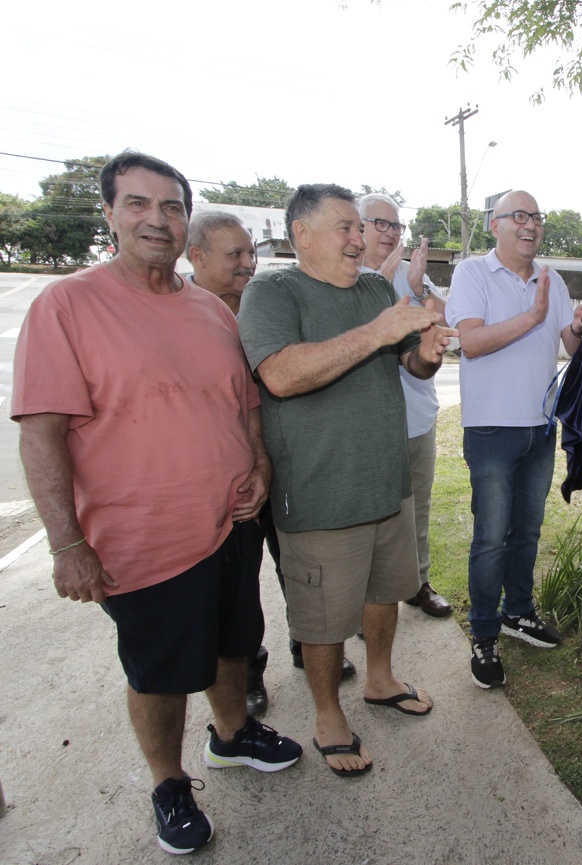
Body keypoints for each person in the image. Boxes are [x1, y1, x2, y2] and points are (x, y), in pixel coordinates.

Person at [12, 151, 302, 855]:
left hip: (231, 523)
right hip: (143, 539)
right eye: (138, 204)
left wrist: (259, 464)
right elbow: (42, 432)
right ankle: (168, 781)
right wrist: (67, 544)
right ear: (108, 213)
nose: (156, 219)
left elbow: (244, 405)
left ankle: (232, 735)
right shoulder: (67, 305)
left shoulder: (208, 308)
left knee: (235, 643)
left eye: (171, 206)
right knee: (162, 670)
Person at [238, 184, 454, 776]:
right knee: (323, 618)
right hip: (320, 492)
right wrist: (378, 333)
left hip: (387, 481)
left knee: (386, 591)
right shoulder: (271, 292)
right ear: (300, 233)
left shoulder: (376, 290)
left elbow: (411, 361)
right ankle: (328, 713)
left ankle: (381, 680)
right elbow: (280, 375)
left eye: (361, 228)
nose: (360, 239)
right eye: (346, 228)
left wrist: (429, 350)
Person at [186, 211, 358, 717]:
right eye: (234, 255)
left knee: (297, 567)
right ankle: (249, 673)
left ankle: (309, 646)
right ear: (196, 256)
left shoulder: (268, 299)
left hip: (282, 463)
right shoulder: (184, 311)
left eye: (250, 252)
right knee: (238, 586)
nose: (248, 263)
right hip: (225, 475)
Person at [447, 189, 582, 689]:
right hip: (490, 429)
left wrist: (575, 326)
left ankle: (519, 613)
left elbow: (568, 346)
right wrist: (533, 316)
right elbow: (472, 343)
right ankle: (484, 632)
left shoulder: (551, 278)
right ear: (495, 225)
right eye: (519, 216)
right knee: (491, 538)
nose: (530, 224)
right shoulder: (471, 273)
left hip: (540, 425)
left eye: (536, 217)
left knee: (527, 531)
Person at [357, 193, 453, 619]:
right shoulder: (344, 277)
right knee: (369, 519)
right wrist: (376, 281)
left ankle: (418, 583)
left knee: (418, 508)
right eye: (381, 223)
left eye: (396, 225)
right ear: (356, 227)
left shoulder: (407, 277)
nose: (391, 233)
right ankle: (367, 602)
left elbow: (450, 323)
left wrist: (419, 288)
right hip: (369, 426)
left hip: (416, 416)